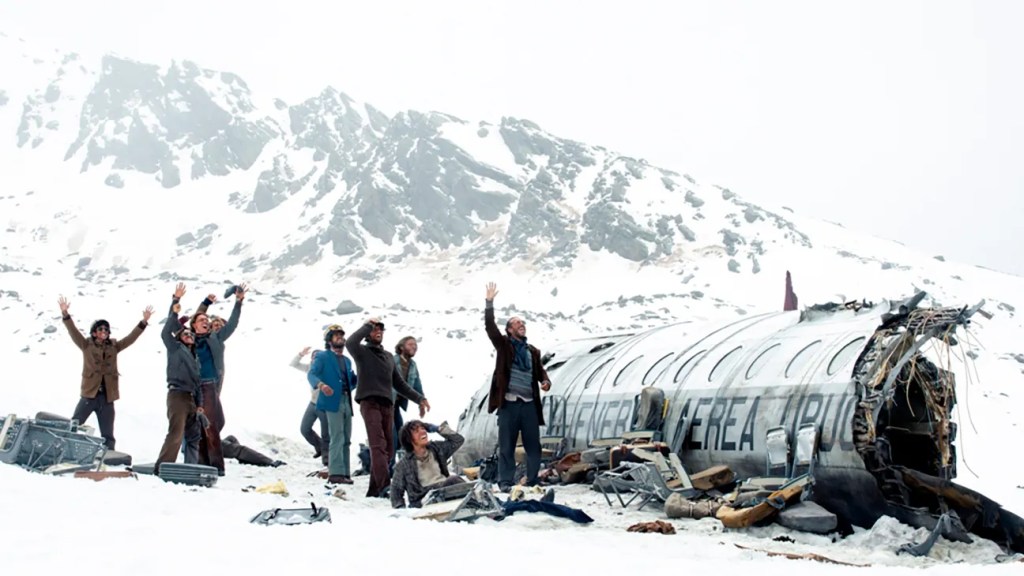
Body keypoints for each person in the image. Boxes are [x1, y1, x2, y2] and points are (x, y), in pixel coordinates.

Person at [346, 318, 431, 498]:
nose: (378, 331)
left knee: (390, 449)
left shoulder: (387, 357)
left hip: (387, 405)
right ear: (368, 334)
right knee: (378, 446)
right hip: (370, 402)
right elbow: (350, 342)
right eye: (374, 329)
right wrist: (367, 325)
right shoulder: (362, 352)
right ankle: (385, 486)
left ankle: (374, 490)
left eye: (380, 329)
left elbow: (399, 383)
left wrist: (419, 398)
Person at [58, 296, 153, 450]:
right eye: (101, 329)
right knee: (74, 424)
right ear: (94, 333)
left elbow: (130, 339)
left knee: (108, 433)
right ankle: (61, 449)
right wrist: (65, 314)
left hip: (107, 397)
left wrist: (143, 322)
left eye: (106, 329)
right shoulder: (86, 345)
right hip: (90, 395)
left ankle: (109, 456)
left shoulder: (114, 347)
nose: (104, 331)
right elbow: (73, 331)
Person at [484, 282, 551, 490]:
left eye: (522, 322)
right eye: (516, 323)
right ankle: (505, 482)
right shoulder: (504, 345)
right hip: (509, 403)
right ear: (509, 330)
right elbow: (490, 328)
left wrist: (545, 381)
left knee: (533, 445)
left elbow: (539, 371)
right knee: (507, 446)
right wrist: (489, 303)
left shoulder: (532, 351)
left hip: (528, 404)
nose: (521, 325)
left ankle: (532, 480)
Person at [190, 285, 246, 476]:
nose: (206, 322)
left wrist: (238, 302)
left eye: (207, 320)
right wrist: (205, 303)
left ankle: (203, 459)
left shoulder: (215, 338)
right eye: (202, 321)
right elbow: (195, 317)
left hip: (211, 385)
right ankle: (216, 466)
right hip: (198, 386)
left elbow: (232, 324)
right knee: (210, 425)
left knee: (217, 422)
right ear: (194, 325)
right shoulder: (188, 338)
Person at [155, 283, 207, 473]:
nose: (189, 335)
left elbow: (198, 383)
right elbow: (165, 331)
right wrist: (175, 303)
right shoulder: (175, 348)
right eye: (185, 334)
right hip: (177, 394)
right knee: (176, 433)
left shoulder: (195, 358)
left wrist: (199, 404)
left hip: (191, 397)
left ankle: (191, 467)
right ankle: (162, 467)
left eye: (190, 334)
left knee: (193, 436)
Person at [307, 324, 357, 484]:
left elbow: (351, 382)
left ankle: (345, 473)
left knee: (347, 438)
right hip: (331, 401)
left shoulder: (347, 361)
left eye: (341, 335)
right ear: (329, 340)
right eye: (336, 335)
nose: (340, 338)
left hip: (346, 400)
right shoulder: (322, 356)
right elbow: (311, 374)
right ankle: (335, 473)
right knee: (337, 436)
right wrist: (321, 385)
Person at [390, 420, 465, 509]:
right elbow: (396, 490)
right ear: (409, 439)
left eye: (423, 428)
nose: (422, 432)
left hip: (445, 490)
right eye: (416, 431)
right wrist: (401, 509)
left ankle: (473, 503)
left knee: (459, 483)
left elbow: (458, 440)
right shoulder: (404, 464)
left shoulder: (436, 449)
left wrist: (438, 428)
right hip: (424, 500)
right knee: (453, 480)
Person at [290, 346, 329, 464]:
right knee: (305, 429)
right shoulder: (309, 368)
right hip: (312, 403)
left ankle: (327, 456)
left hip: (325, 405)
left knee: (326, 433)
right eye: (313, 357)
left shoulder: (327, 369)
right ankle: (319, 446)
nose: (315, 359)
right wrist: (301, 354)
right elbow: (293, 364)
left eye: (318, 357)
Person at [391, 336, 424, 469]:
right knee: (392, 435)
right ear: (401, 347)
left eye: (415, 345)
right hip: (387, 402)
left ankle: (399, 465)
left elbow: (417, 385)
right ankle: (390, 467)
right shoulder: (392, 361)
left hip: (397, 405)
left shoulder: (413, 365)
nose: (414, 347)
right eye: (410, 344)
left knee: (401, 433)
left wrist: (421, 401)